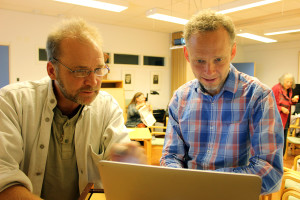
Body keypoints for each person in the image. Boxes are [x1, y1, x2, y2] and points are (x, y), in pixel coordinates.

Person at [0, 18, 146, 200]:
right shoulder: (12, 102)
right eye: (80, 71)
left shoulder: (107, 107)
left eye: (99, 69)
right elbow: (3, 176)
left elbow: (123, 170)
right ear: (52, 71)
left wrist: (130, 165)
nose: (93, 82)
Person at [160, 10, 284, 195]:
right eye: (199, 61)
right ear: (187, 54)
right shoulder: (180, 98)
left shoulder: (258, 97)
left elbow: (270, 172)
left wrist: (206, 185)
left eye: (218, 59)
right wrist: (182, 182)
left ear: (232, 51)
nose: (209, 71)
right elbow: (170, 156)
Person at [272, 73, 299, 155]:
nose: (289, 84)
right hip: (277, 118)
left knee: (283, 138)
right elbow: (271, 103)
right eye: (287, 82)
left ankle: (281, 159)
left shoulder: (289, 90)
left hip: (286, 118)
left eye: (291, 82)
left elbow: (287, 103)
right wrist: (281, 108)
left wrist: (293, 101)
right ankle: (274, 158)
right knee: (276, 139)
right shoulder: (276, 88)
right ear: (282, 81)